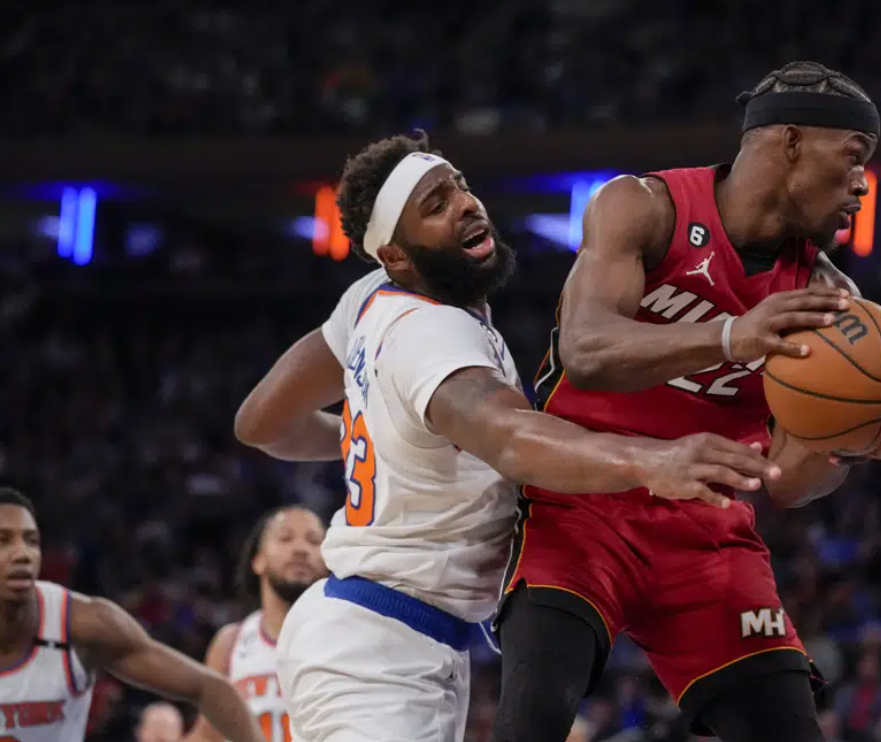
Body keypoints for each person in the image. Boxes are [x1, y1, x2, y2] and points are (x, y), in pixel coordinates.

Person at [233, 131, 782, 742]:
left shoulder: (369, 298)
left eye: (459, 186)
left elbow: (262, 424)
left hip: (394, 640)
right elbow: (512, 437)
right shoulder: (430, 336)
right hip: (374, 653)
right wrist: (653, 460)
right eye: (436, 206)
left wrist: (392, 436)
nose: (466, 204)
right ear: (396, 256)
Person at [489, 61, 881, 742]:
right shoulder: (643, 207)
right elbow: (586, 350)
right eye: (853, 158)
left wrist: (850, 440)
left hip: (704, 534)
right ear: (789, 143)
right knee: (533, 719)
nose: (863, 183)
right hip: (581, 498)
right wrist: (730, 335)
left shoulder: (829, 299)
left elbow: (784, 480)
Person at [0, 487, 266, 742]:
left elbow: (210, 688)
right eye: (3, 540)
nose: (22, 553)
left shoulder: (83, 623)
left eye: (31, 541)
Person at [182, 506, 328, 742]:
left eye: (314, 541)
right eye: (285, 538)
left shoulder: (348, 639)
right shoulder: (231, 643)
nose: (301, 549)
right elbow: (207, 735)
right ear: (258, 561)